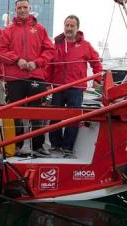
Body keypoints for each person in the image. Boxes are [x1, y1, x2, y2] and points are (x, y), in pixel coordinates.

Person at [0, 0, 55, 156]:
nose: (22, 10)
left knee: (37, 113)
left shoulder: (41, 29)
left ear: (29, 8)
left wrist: (36, 63)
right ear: (15, 10)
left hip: (36, 76)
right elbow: (1, 52)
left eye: (25, 7)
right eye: (19, 8)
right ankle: (15, 146)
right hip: (15, 78)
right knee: (15, 112)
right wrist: (17, 60)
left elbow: (50, 51)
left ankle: (37, 147)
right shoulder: (8, 30)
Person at [46, 15, 102, 155]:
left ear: (77, 28)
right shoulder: (56, 44)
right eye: (67, 25)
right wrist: (47, 83)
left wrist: (98, 79)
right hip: (58, 86)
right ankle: (55, 145)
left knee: (74, 118)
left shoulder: (85, 45)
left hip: (76, 87)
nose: (69, 28)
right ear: (64, 27)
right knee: (55, 116)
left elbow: (96, 63)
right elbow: (49, 66)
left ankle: (68, 146)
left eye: (72, 26)